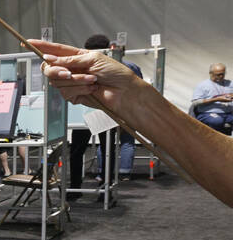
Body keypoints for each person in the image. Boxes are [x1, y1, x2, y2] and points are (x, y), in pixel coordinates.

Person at [34, 39, 233, 208]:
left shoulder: (106, 67)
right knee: (107, 148)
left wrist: (136, 103)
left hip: (95, 115)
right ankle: (107, 184)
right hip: (95, 113)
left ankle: (95, 186)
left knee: (101, 149)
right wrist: (137, 103)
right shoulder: (116, 66)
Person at [68, 34, 143, 196]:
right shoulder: (116, 66)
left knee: (78, 150)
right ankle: (105, 188)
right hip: (103, 112)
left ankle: (76, 187)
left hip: (85, 111)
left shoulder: (82, 66)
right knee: (107, 149)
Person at [189, 62, 233, 133]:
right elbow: (195, 102)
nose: (221, 76)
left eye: (223, 74)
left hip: (228, 113)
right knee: (217, 120)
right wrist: (217, 99)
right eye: (218, 75)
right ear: (211, 73)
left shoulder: (230, 83)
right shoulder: (203, 85)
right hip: (208, 113)